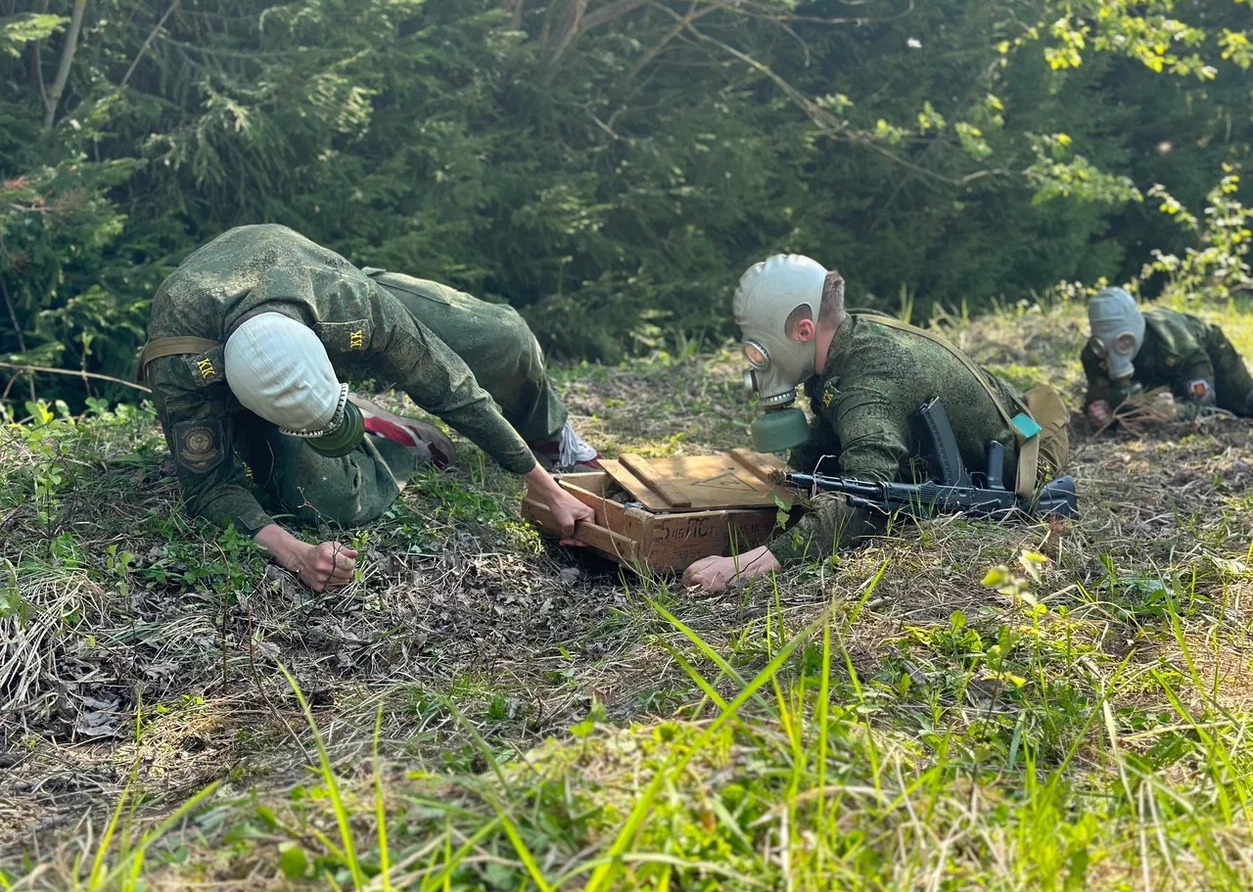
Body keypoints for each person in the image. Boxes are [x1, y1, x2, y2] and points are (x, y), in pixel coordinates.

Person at [139, 224, 598, 592]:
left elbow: (448, 385)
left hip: (319, 295)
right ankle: (382, 429)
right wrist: (296, 553)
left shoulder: (350, 305)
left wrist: (545, 487)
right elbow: (209, 487)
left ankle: (551, 432)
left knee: (505, 342)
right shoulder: (180, 366)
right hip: (239, 374)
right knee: (331, 500)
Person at [683, 254, 1070, 594]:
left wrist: (744, 566)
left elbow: (862, 502)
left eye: (758, 345)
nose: (755, 360)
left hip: (1024, 456)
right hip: (1000, 418)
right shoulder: (848, 340)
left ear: (803, 331)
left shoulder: (872, 384)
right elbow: (829, 433)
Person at [1083, 286, 1253, 429]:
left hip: (1207, 354)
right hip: (1159, 369)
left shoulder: (1180, 347)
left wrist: (1176, 411)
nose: (1115, 351)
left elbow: (1205, 409)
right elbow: (1100, 399)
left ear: (1135, 329)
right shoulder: (1094, 356)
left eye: (1124, 341)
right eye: (1103, 344)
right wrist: (1102, 412)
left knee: (1244, 403)